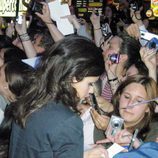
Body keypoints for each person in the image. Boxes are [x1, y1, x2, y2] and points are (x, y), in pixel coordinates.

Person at [9, 35, 105, 158]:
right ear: (74, 76)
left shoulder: (31, 96)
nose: (91, 90)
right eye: (90, 83)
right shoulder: (68, 121)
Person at [93, 75, 157, 147]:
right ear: (119, 97)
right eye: (127, 97)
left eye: (139, 101)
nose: (130, 104)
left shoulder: (154, 129)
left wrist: (112, 128)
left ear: (148, 107)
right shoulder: (104, 121)